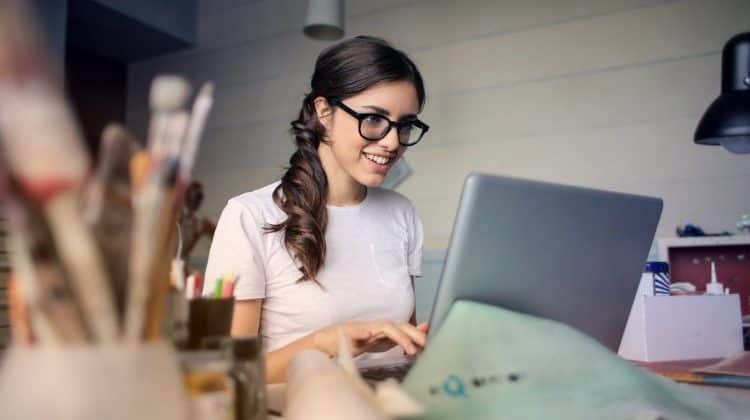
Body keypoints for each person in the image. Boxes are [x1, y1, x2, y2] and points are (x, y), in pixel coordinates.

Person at [204, 36, 430, 383]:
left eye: (405, 125)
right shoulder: (249, 216)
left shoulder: (402, 212)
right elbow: (228, 374)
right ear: (324, 112)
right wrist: (327, 343)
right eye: (373, 119)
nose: (392, 142)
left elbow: (405, 344)